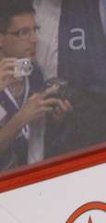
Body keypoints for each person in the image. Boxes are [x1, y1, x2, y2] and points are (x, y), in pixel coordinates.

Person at [0, 0, 69, 169]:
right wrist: (22, 118)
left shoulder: (35, 74)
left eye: (35, 30)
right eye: (24, 33)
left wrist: (55, 119)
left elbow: (37, 141)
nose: (34, 39)